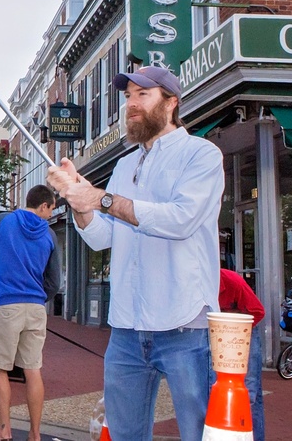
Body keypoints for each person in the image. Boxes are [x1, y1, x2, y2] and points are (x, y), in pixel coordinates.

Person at [48, 65, 224, 441]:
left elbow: (180, 220)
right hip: (127, 326)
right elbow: (103, 236)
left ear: (171, 102)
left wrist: (102, 198)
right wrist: (78, 201)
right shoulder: (125, 163)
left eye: (143, 94)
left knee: (199, 432)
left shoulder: (201, 154)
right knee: (125, 433)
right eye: (128, 96)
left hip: (184, 322)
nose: (131, 104)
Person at [0, 185, 59, 441]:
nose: (50, 215)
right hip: (36, 306)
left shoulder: (2, 221)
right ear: (44, 205)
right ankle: (35, 434)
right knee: (32, 369)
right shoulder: (49, 235)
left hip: (6, 302)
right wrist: (37, 297)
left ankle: (4, 430)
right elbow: (54, 281)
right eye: (51, 209)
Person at [218, 268, 265, 441]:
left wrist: (233, 324)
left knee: (250, 392)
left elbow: (258, 311)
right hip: (218, 333)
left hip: (245, 331)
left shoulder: (232, 281)